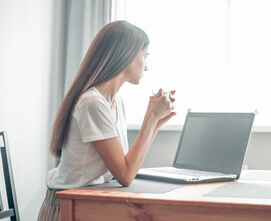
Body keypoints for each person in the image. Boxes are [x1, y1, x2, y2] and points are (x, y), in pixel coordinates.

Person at [37, 20, 176, 221]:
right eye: (145, 57)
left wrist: (156, 121)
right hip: (67, 208)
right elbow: (125, 175)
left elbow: (126, 167)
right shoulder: (92, 103)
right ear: (128, 56)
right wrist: (150, 117)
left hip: (88, 202)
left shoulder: (116, 102)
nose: (147, 67)